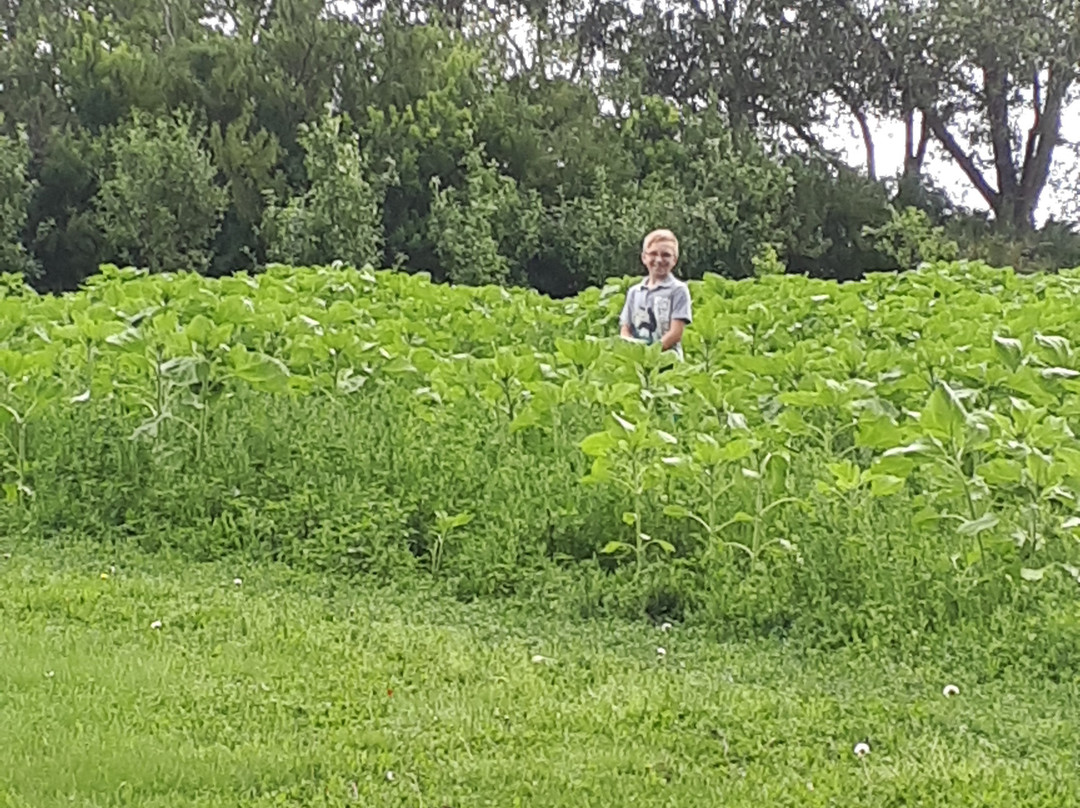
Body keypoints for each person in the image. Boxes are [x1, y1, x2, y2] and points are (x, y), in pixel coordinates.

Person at [618, 229, 693, 359]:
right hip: (638, 360)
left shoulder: (678, 290)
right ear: (644, 258)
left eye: (666, 255)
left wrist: (651, 354)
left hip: (668, 360)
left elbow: (675, 333)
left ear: (674, 260)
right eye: (653, 254)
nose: (659, 260)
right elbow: (625, 328)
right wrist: (632, 351)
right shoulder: (634, 292)